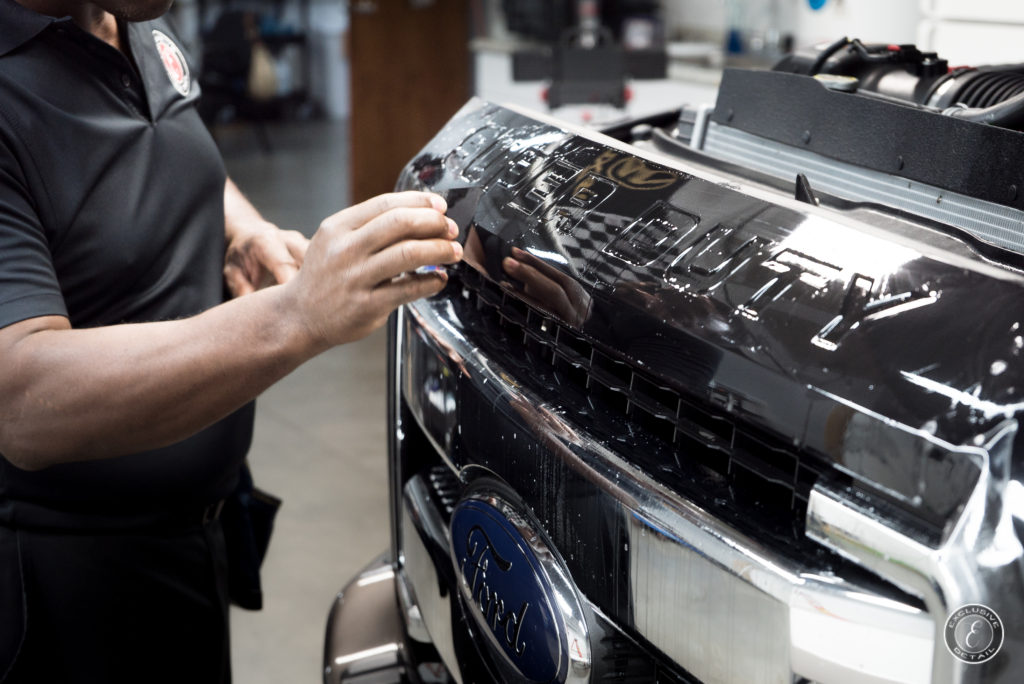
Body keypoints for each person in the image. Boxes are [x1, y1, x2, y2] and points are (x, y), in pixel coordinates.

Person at [0, 0, 463, 681]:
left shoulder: (133, 19)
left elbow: (173, 146)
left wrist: (242, 232)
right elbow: (22, 398)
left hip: (195, 540)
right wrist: (296, 318)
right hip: (65, 582)